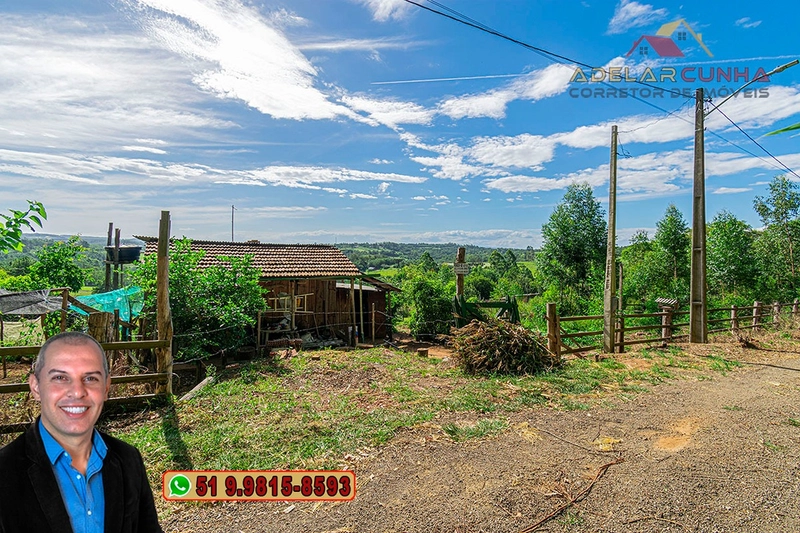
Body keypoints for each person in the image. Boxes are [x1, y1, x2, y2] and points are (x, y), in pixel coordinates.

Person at [0, 331, 163, 533]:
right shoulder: (4, 471)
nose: (77, 392)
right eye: (60, 377)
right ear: (36, 387)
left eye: (90, 378)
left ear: (106, 387)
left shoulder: (128, 459)